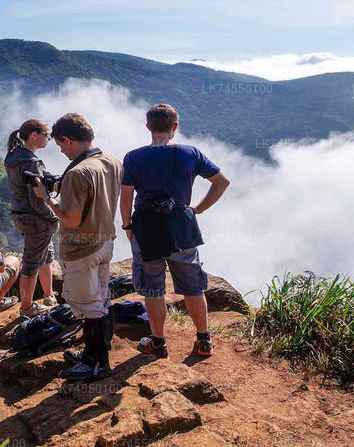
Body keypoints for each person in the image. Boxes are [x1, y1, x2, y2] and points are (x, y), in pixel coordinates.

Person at [121, 104, 231, 359]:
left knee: (153, 289)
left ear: (148, 126)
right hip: (182, 227)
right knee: (193, 287)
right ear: (175, 127)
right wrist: (199, 209)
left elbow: (125, 197)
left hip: (147, 229)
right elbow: (222, 182)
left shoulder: (133, 157)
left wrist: (127, 226)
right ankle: (204, 340)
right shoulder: (190, 153)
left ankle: (158, 343)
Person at [34, 113, 122, 381]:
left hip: (82, 249)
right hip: (105, 241)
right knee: (101, 299)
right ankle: (94, 354)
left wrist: (47, 198)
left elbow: (71, 219)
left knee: (88, 305)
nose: (61, 151)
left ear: (69, 140)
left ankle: (96, 363)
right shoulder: (112, 161)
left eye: (60, 145)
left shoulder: (77, 173)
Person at [5, 119, 60, 319]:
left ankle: (49, 296)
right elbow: (36, 198)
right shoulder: (32, 162)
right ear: (34, 135)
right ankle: (27, 307)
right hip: (36, 217)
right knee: (31, 263)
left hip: (20, 212)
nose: (49, 139)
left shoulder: (12, 156)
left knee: (47, 253)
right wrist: (53, 217)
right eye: (47, 135)